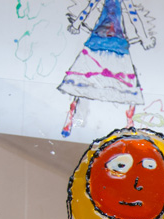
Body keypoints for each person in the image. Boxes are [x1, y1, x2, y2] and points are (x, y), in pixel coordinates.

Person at [58, 0, 156, 137]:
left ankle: (129, 124)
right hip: (110, 41)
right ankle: (129, 124)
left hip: (104, 40)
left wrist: (76, 24)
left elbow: (90, 7)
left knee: (84, 75)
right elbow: (132, 15)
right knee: (124, 80)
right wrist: (145, 39)